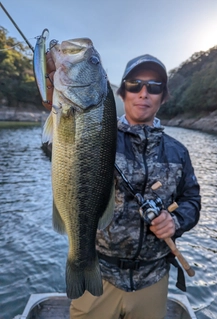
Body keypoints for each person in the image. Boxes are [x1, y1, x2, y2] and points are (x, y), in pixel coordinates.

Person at [43, 53, 201, 319]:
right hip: (98, 273)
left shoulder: (179, 152)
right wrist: (54, 99)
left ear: (163, 96)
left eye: (154, 87)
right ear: (122, 93)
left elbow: (192, 201)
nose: (143, 93)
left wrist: (175, 221)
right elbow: (53, 150)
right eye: (135, 84)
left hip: (153, 278)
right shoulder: (96, 131)